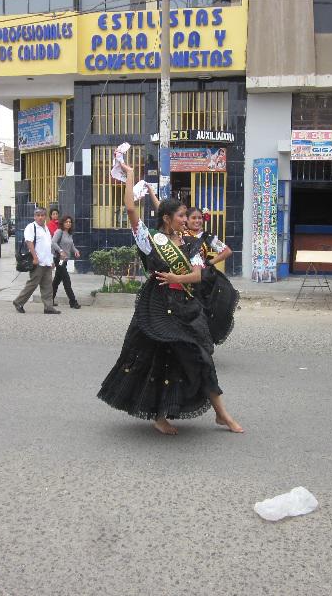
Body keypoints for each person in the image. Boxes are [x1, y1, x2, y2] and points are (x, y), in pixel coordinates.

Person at [97, 158, 242, 435]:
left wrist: (178, 278)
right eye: (181, 216)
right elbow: (130, 208)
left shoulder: (189, 243)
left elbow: (198, 275)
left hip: (186, 305)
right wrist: (129, 175)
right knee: (157, 362)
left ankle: (221, 414)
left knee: (202, 356)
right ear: (167, 218)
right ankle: (160, 415)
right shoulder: (149, 239)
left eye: (187, 216)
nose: (186, 220)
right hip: (158, 306)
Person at [182, 206, 239, 345]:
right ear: (186, 220)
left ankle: (200, 342)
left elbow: (227, 251)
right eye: (193, 218)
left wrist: (209, 262)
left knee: (200, 312)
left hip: (201, 281)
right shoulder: (179, 235)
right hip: (182, 277)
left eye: (199, 218)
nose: (197, 221)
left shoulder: (208, 237)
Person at [12, 207, 59, 315]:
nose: (40, 217)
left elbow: (48, 245)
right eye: (38, 215)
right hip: (37, 262)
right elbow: (29, 243)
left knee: (47, 285)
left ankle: (48, 307)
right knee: (33, 284)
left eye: (42, 215)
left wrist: (51, 260)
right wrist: (35, 257)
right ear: (34, 216)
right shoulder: (31, 227)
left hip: (46, 261)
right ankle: (18, 302)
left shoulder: (46, 228)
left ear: (45, 216)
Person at [51, 215, 81, 309]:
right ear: (63, 223)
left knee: (56, 281)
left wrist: (76, 251)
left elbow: (71, 246)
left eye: (70, 222)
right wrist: (60, 251)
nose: (68, 223)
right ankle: (73, 301)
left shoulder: (69, 233)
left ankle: (49, 299)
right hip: (59, 260)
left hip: (65, 260)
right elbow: (53, 242)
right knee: (66, 280)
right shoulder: (59, 231)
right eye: (66, 222)